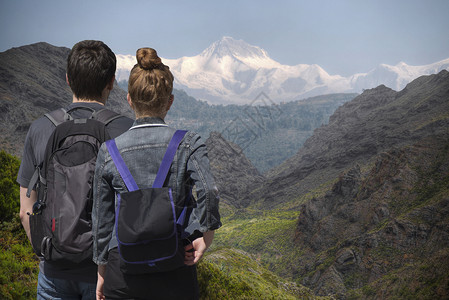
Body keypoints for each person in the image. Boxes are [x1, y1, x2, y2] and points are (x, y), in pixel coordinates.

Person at [92, 47, 221, 300]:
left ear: (129, 99)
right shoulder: (188, 142)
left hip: (123, 272)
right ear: (170, 101)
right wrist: (206, 236)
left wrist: (101, 272)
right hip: (175, 268)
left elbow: (101, 220)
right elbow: (209, 190)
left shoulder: (108, 152)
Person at [17, 40, 134, 299]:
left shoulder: (40, 128)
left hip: (53, 273)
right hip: (109, 274)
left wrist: (49, 254)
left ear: (68, 79)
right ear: (111, 82)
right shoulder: (127, 130)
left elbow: (26, 211)